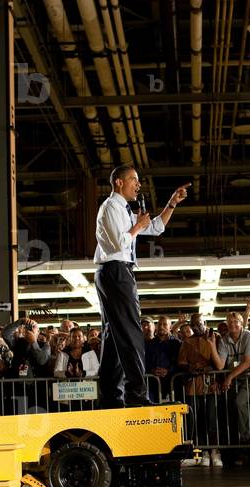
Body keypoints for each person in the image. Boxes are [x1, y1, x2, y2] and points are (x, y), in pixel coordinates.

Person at [93, 164, 190, 408]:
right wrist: (137, 226)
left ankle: (111, 398)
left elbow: (156, 227)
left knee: (113, 335)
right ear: (119, 183)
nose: (138, 185)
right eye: (133, 180)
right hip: (116, 271)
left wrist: (171, 204)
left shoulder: (124, 209)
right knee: (131, 332)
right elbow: (118, 243)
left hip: (112, 273)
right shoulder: (111, 207)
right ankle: (136, 395)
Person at [177, 314, 225, 467]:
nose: (196, 326)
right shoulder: (186, 342)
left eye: (199, 323)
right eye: (193, 324)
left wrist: (213, 373)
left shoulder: (215, 337)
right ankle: (203, 451)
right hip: (193, 387)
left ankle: (215, 451)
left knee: (212, 418)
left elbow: (220, 361)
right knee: (198, 420)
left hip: (211, 386)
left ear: (204, 323)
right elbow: (181, 363)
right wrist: (190, 368)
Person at [218, 312, 250, 460]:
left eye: (236, 322)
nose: (232, 324)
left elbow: (248, 361)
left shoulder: (249, 336)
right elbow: (221, 364)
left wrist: (229, 376)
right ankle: (233, 448)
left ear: (242, 323)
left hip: (248, 379)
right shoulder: (223, 340)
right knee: (228, 410)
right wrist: (210, 345)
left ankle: (245, 439)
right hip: (233, 382)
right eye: (230, 322)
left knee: (240, 402)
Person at [144, 315, 181, 403]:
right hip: (153, 383)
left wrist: (168, 370)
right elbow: (145, 361)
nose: (161, 327)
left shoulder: (176, 344)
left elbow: (179, 361)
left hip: (171, 382)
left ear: (170, 327)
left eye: (165, 324)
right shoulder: (149, 344)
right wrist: (152, 370)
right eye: (159, 324)